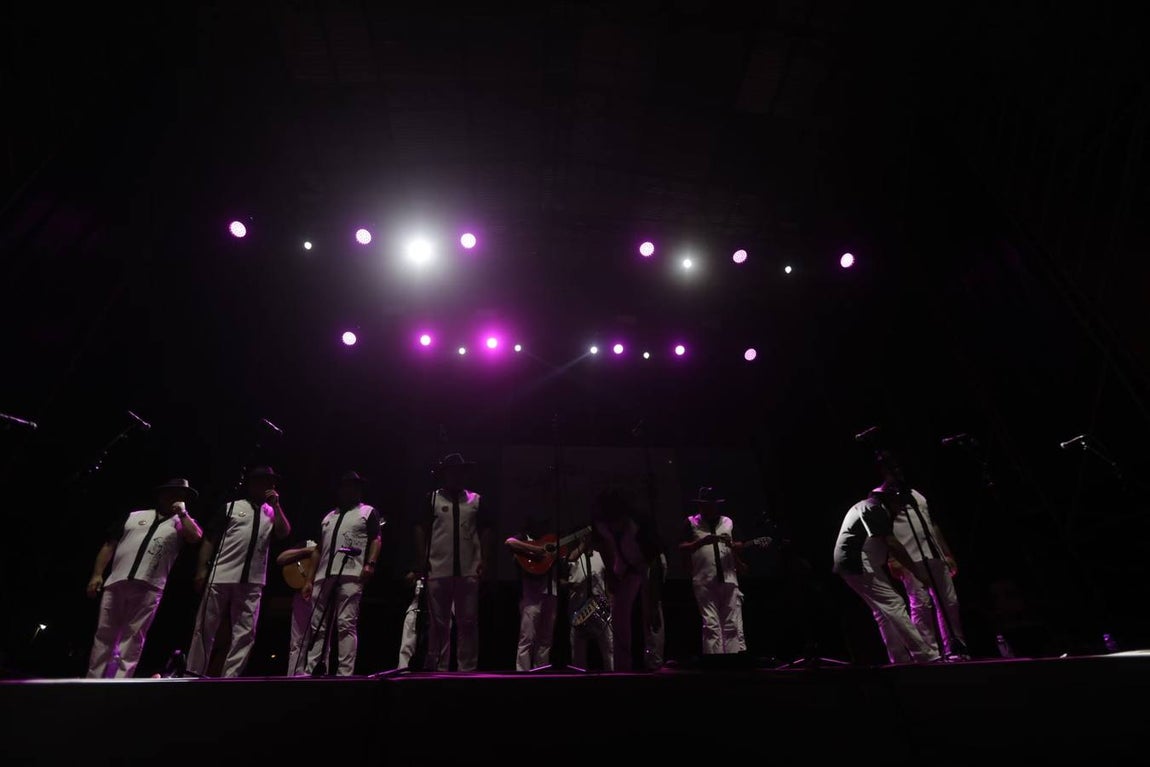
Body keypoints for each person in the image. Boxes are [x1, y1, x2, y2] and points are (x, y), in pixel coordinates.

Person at [86, 478, 203, 678]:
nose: (176, 497)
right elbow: (109, 545)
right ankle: (93, 679)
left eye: (181, 495)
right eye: (172, 493)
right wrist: (97, 574)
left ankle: (121, 681)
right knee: (104, 633)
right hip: (117, 580)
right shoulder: (135, 516)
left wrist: (183, 513)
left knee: (134, 637)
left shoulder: (182, 523)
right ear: (161, 495)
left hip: (149, 586)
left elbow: (196, 537)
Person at [187, 465, 291, 677]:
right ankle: (194, 673)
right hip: (221, 574)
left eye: (271, 482)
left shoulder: (271, 512)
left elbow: (283, 533)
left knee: (245, 632)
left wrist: (277, 507)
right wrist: (201, 570)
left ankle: (230, 677)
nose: (268, 486)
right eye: (263, 482)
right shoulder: (232, 507)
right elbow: (209, 539)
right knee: (205, 628)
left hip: (253, 580)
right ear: (252, 484)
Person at [873, 451, 969, 661]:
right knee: (921, 605)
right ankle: (930, 653)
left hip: (934, 556)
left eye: (898, 468)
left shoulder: (915, 494)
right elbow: (882, 532)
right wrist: (892, 559)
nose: (896, 472)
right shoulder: (879, 496)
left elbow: (931, 524)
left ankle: (955, 648)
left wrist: (946, 553)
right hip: (910, 560)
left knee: (949, 602)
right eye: (891, 469)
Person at [832, 489, 940, 664]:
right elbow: (891, 542)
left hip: (852, 564)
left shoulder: (868, 507)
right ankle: (925, 655)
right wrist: (917, 572)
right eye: (900, 506)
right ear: (891, 501)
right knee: (894, 604)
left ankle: (899, 659)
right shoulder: (875, 508)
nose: (900, 511)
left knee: (883, 612)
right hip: (857, 562)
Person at [298, 471, 382, 676]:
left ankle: (345, 673)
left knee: (346, 624)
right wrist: (309, 579)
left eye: (354, 486)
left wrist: (370, 564)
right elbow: (319, 549)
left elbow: (376, 539)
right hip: (323, 577)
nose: (350, 490)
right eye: (346, 486)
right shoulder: (328, 517)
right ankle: (314, 670)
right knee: (318, 627)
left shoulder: (367, 512)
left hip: (351, 574)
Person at [414, 453, 491, 672]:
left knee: (468, 621)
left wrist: (485, 558)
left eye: (460, 471)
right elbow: (420, 528)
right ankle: (438, 667)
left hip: (468, 568)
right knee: (439, 623)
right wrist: (422, 559)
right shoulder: (432, 499)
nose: (456, 476)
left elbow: (486, 530)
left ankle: (467, 668)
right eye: (451, 471)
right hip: (437, 567)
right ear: (444, 474)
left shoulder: (475, 500)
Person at [679, 486, 749, 655]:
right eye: (704, 504)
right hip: (704, 579)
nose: (707, 508)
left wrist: (735, 548)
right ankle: (713, 663)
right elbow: (681, 546)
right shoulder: (691, 522)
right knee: (711, 625)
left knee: (731, 624)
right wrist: (701, 542)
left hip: (728, 578)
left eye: (711, 504)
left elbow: (739, 545)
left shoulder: (728, 522)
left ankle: (732, 661)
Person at [591, 486, 648, 671]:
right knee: (619, 618)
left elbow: (646, 559)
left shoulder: (635, 528)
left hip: (640, 569)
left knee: (642, 616)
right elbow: (608, 550)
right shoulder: (606, 527)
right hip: (623, 572)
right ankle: (623, 666)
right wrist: (612, 575)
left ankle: (641, 661)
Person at [505, 514, 564, 671]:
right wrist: (536, 550)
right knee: (527, 637)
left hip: (551, 592)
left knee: (546, 639)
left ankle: (541, 671)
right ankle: (523, 674)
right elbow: (509, 542)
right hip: (530, 594)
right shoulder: (524, 537)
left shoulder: (551, 541)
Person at [566, 535, 614, 671]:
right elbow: (561, 581)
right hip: (578, 608)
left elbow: (608, 581)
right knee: (578, 650)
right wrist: (571, 585)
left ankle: (613, 677)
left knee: (608, 647)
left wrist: (610, 601)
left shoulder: (600, 556)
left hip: (600, 606)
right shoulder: (571, 558)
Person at [274, 538, 317, 677]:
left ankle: (316, 675)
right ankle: (293, 676)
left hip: (322, 593)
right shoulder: (310, 543)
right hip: (302, 596)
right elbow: (281, 558)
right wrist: (308, 550)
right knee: (297, 640)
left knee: (319, 639)